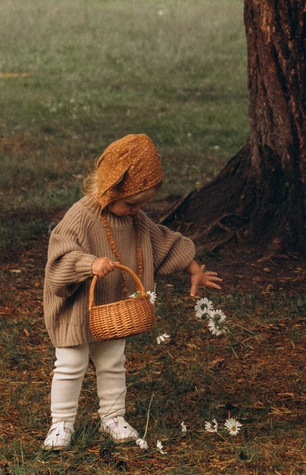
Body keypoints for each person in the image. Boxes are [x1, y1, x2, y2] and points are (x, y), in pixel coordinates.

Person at [40, 133, 222, 451]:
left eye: (142, 204)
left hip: (113, 310)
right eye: (131, 203)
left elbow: (162, 241)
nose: (136, 210)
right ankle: (62, 422)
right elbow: (61, 256)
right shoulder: (81, 217)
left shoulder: (136, 220)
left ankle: (113, 416)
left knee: (112, 361)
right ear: (110, 190)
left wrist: (194, 268)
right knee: (70, 364)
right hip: (76, 310)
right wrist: (89, 263)